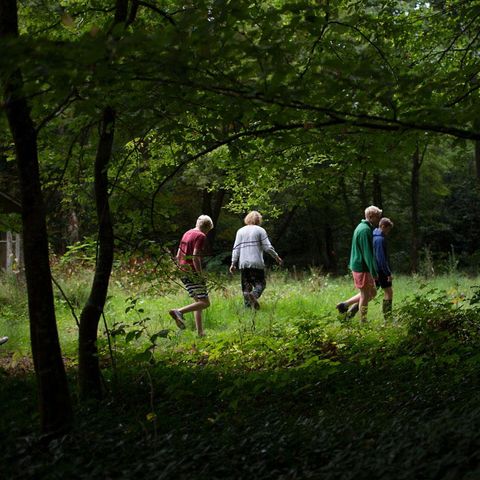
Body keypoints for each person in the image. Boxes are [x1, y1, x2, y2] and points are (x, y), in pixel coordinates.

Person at [169, 215, 213, 337]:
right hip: (192, 272)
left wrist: (179, 269)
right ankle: (179, 311)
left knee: (197, 302)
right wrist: (199, 275)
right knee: (205, 303)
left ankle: (200, 332)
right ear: (207, 227)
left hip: (183, 271)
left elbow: (178, 255)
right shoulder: (201, 236)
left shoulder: (187, 233)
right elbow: (195, 256)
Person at [336, 205, 382, 322]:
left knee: (372, 292)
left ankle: (345, 305)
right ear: (371, 216)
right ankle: (363, 320)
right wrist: (374, 272)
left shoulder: (364, 227)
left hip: (360, 266)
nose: (379, 220)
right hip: (362, 267)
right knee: (365, 294)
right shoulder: (364, 230)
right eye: (377, 217)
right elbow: (368, 253)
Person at [229, 211, 283, 309]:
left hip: (243, 263)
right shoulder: (260, 230)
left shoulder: (240, 231)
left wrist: (233, 263)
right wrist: (277, 257)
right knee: (261, 284)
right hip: (257, 263)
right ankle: (254, 295)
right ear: (259, 220)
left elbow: (236, 248)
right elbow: (268, 247)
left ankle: (248, 309)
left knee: (246, 287)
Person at [373, 217, 394, 320]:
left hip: (375, 270)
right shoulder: (380, 239)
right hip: (380, 271)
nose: (388, 232)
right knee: (389, 292)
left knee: (368, 294)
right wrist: (388, 273)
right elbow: (381, 259)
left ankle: (348, 308)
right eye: (388, 229)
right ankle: (388, 318)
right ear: (382, 226)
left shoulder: (374, 236)